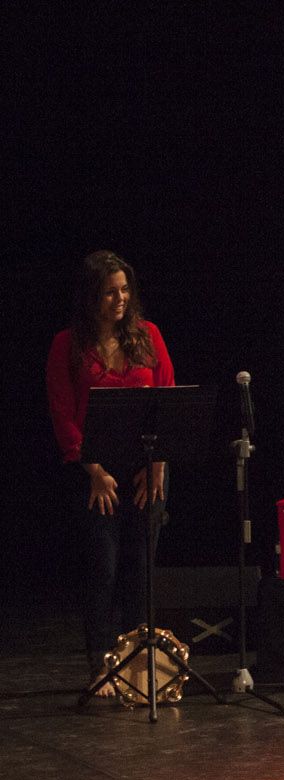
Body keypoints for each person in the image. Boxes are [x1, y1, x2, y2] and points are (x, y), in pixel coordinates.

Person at [45, 250, 176, 687]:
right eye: (108, 292)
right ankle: (103, 666)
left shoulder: (148, 336)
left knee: (142, 574)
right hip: (95, 473)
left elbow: (168, 401)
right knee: (102, 570)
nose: (119, 299)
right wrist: (94, 470)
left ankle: (140, 667)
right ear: (90, 297)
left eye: (124, 290)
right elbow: (63, 414)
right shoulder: (68, 344)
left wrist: (157, 466)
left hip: (146, 470)